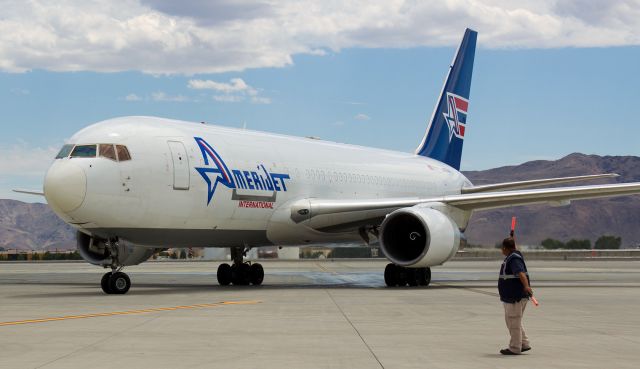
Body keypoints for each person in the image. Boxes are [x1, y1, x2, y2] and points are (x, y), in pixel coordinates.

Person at [498, 237, 532, 355]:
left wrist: (527, 287)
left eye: (502, 248)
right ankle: (523, 343)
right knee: (514, 321)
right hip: (512, 297)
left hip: (515, 298)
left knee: (513, 322)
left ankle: (514, 348)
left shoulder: (514, 259)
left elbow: (521, 273)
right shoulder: (512, 257)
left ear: (504, 248)